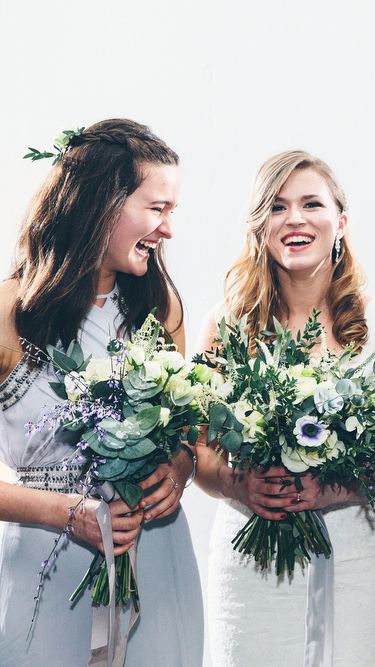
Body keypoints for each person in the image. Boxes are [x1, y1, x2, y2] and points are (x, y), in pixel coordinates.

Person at [195, 149, 375, 666]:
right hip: (249, 563)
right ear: (260, 226)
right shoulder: (224, 325)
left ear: (341, 221)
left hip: (357, 558)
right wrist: (241, 485)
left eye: (310, 204)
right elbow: (201, 457)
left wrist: (333, 489)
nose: (294, 219)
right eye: (277, 207)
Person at [0, 119, 203, 666]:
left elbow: (189, 431)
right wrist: (68, 512)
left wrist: (179, 468)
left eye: (172, 211)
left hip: (157, 557)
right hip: (48, 564)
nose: (168, 229)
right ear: (101, 205)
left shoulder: (164, 308)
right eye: (157, 208)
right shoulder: (7, 313)